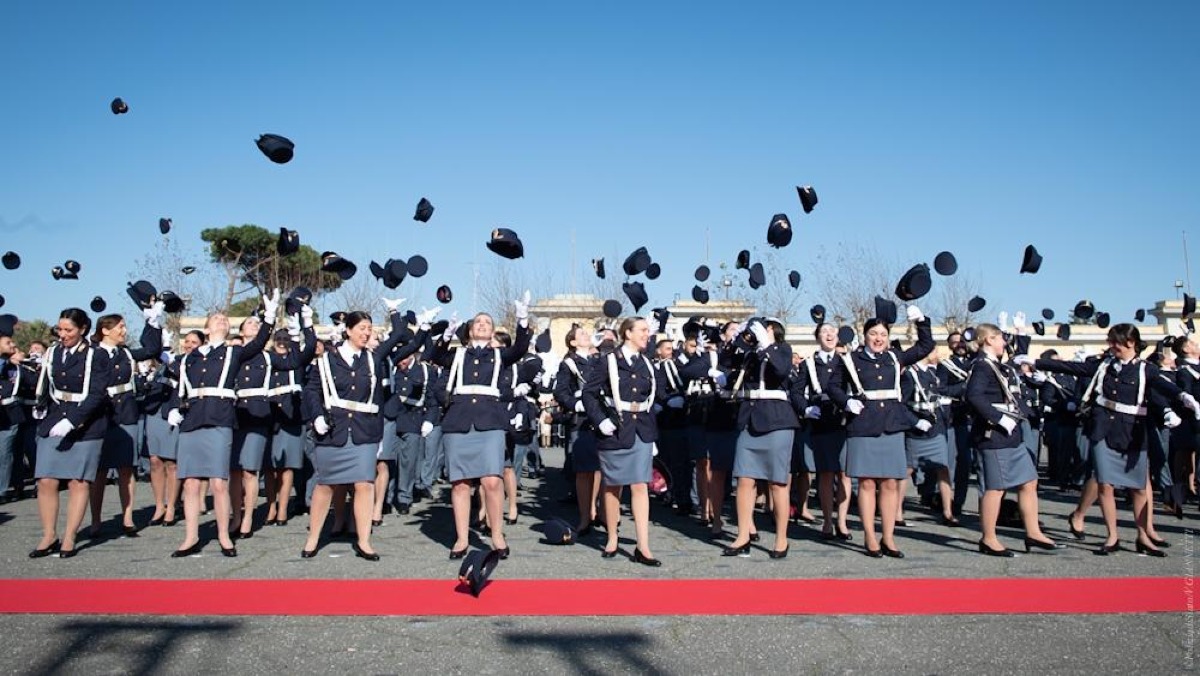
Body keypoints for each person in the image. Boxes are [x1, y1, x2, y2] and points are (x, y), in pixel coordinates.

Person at [1037, 323, 1200, 556]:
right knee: (1105, 484)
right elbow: (1074, 367)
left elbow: (1162, 386)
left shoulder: (1145, 369)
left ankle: (1143, 536)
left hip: (1133, 431)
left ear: (1131, 343)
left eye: (1115, 342)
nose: (1111, 347)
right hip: (1104, 428)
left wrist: (1183, 396)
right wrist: (1036, 363)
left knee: (1140, 489)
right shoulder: (1104, 366)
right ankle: (1112, 536)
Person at [301, 303, 427, 560]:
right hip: (333, 429)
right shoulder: (326, 361)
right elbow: (311, 390)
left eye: (369, 329)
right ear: (347, 330)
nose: (367, 333)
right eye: (362, 328)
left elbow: (401, 341)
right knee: (325, 485)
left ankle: (364, 540)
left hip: (364, 430)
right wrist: (316, 416)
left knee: (364, 484)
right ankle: (313, 539)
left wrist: (417, 324)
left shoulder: (374, 358)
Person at [163, 292, 279, 558]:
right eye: (216, 319)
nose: (221, 321)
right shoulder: (190, 358)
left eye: (225, 320)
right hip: (193, 419)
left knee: (218, 482)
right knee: (191, 482)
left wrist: (269, 317)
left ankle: (224, 535)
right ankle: (190, 537)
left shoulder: (233, 352)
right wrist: (172, 410)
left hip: (219, 418)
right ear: (206, 328)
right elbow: (178, 387)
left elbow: (258, 342)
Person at [426, 295, 533, 559]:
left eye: (488, 322)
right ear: (471, 330)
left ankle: (496, 534)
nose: (483, 324)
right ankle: (462, 538)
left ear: (493, 330)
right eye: (478, 322)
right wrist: (446, 333)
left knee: (492, 481)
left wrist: (522, 320)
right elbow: (434, 355)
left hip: (490, 422)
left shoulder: (499, 355)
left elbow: (520, 348)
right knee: (460, 484)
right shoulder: (458, 354)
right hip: (459, 422)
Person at [828, 304, 933, 558]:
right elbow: (833, 386)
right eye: (874, 334)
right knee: (866, 483)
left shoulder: (895, 358)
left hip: (891, 426)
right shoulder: (851, 360)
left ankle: (888, 537)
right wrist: (845, 402)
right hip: (863, 426)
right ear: (864, 336)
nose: (879, 339)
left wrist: (921, 322)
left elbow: (924, 347)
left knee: (889, 484)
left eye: (883, 335)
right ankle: (870, 536)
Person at [967, 324, 1060, 556]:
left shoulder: (998, 366)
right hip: (995, 434)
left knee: (1029, 482)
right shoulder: (981, 366)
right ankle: (988, 538)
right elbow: (974, 396)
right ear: (989, 339)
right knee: (996, 488)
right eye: (1000, 339)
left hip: (1012, 434)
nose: (1004, 343)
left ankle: (1033, 532)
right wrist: (999, 418)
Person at [30, 308, 113, 558]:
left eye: (69, 330)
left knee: (78, 482)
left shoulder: (96, 355)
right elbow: (46, 381)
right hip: (55, 418)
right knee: (45, 479)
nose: (63, 334)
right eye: (60, 329)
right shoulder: (53, 352)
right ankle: (48, 534)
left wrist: (73, 420)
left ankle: (69, 536)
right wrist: (41, 404)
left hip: (86, 423)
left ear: (83, 330)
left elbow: (98, 393)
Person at [583, 315, 665, 566]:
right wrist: (600, 420)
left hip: (641, 428)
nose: (646, 334)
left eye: (647, 331)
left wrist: (652, 434)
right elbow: (589, 393)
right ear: (627, 333)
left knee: (640, 485)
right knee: (612, 485)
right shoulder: (607, 360)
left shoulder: (647, 363)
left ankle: (643, 545)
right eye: (642, 330)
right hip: (615, 427)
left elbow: (653, 397)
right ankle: (612, 537)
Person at [720, 318, 800, 559]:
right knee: (744, 480)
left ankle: (781, 538)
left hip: (777, 420)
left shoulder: (782, 349)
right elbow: (727, 362)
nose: (758, 332)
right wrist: (736, 339)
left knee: (778, 482)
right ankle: (743, 535)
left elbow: (782, 371)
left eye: (764, 328)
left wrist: (767, 346)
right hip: (750, 418)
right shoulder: (750, 354)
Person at [88, 305, 165, 537]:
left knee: (126, 469)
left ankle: (128, 517)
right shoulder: (92, 353)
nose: (124, 330)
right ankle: (95, 520)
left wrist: (152, 322)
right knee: (99, 472)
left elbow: (153, 348)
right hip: (100, 415)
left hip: (126, 414)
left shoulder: (126, 353)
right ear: (105, 329)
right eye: (120, 326)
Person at [796, 323, 853, 541]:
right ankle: (828, 521)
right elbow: (797, 391)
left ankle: (842, 521)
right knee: (826, 474)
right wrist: (806, 408)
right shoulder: (809, 363)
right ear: (817, 337)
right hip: (821, 422)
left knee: (845, 474)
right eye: (824, 332)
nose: (829, 335)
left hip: (843, 420)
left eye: (832, 331)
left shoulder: (846, 361)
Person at [554, 324, 602, 534]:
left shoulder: (598, 359)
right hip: (581, 419)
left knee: (600, 468)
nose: (587, 335)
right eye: (582, 334)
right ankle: (584, 516)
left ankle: (596, 509)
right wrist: (575, 404)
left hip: (601, 417)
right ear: (573, 342)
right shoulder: (569, 364)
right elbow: (561, 391)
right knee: (583, 471)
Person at [902, 352, 959, 526]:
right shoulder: (909, 375)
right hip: (917, 431)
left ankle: (948, 511)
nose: (937, 354)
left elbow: (943, 391)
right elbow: (900, 403)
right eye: (933, 350)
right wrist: (915, 421)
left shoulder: (933, 372)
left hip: (936, 429)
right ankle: (896, 512)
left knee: (943, 469)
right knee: (907, 470)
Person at [0, 324, 35, 505]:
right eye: (8, 343)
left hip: (11, 414)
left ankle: (4, 489)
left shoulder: (17, 368)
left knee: (6, 453)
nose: (12, 346)